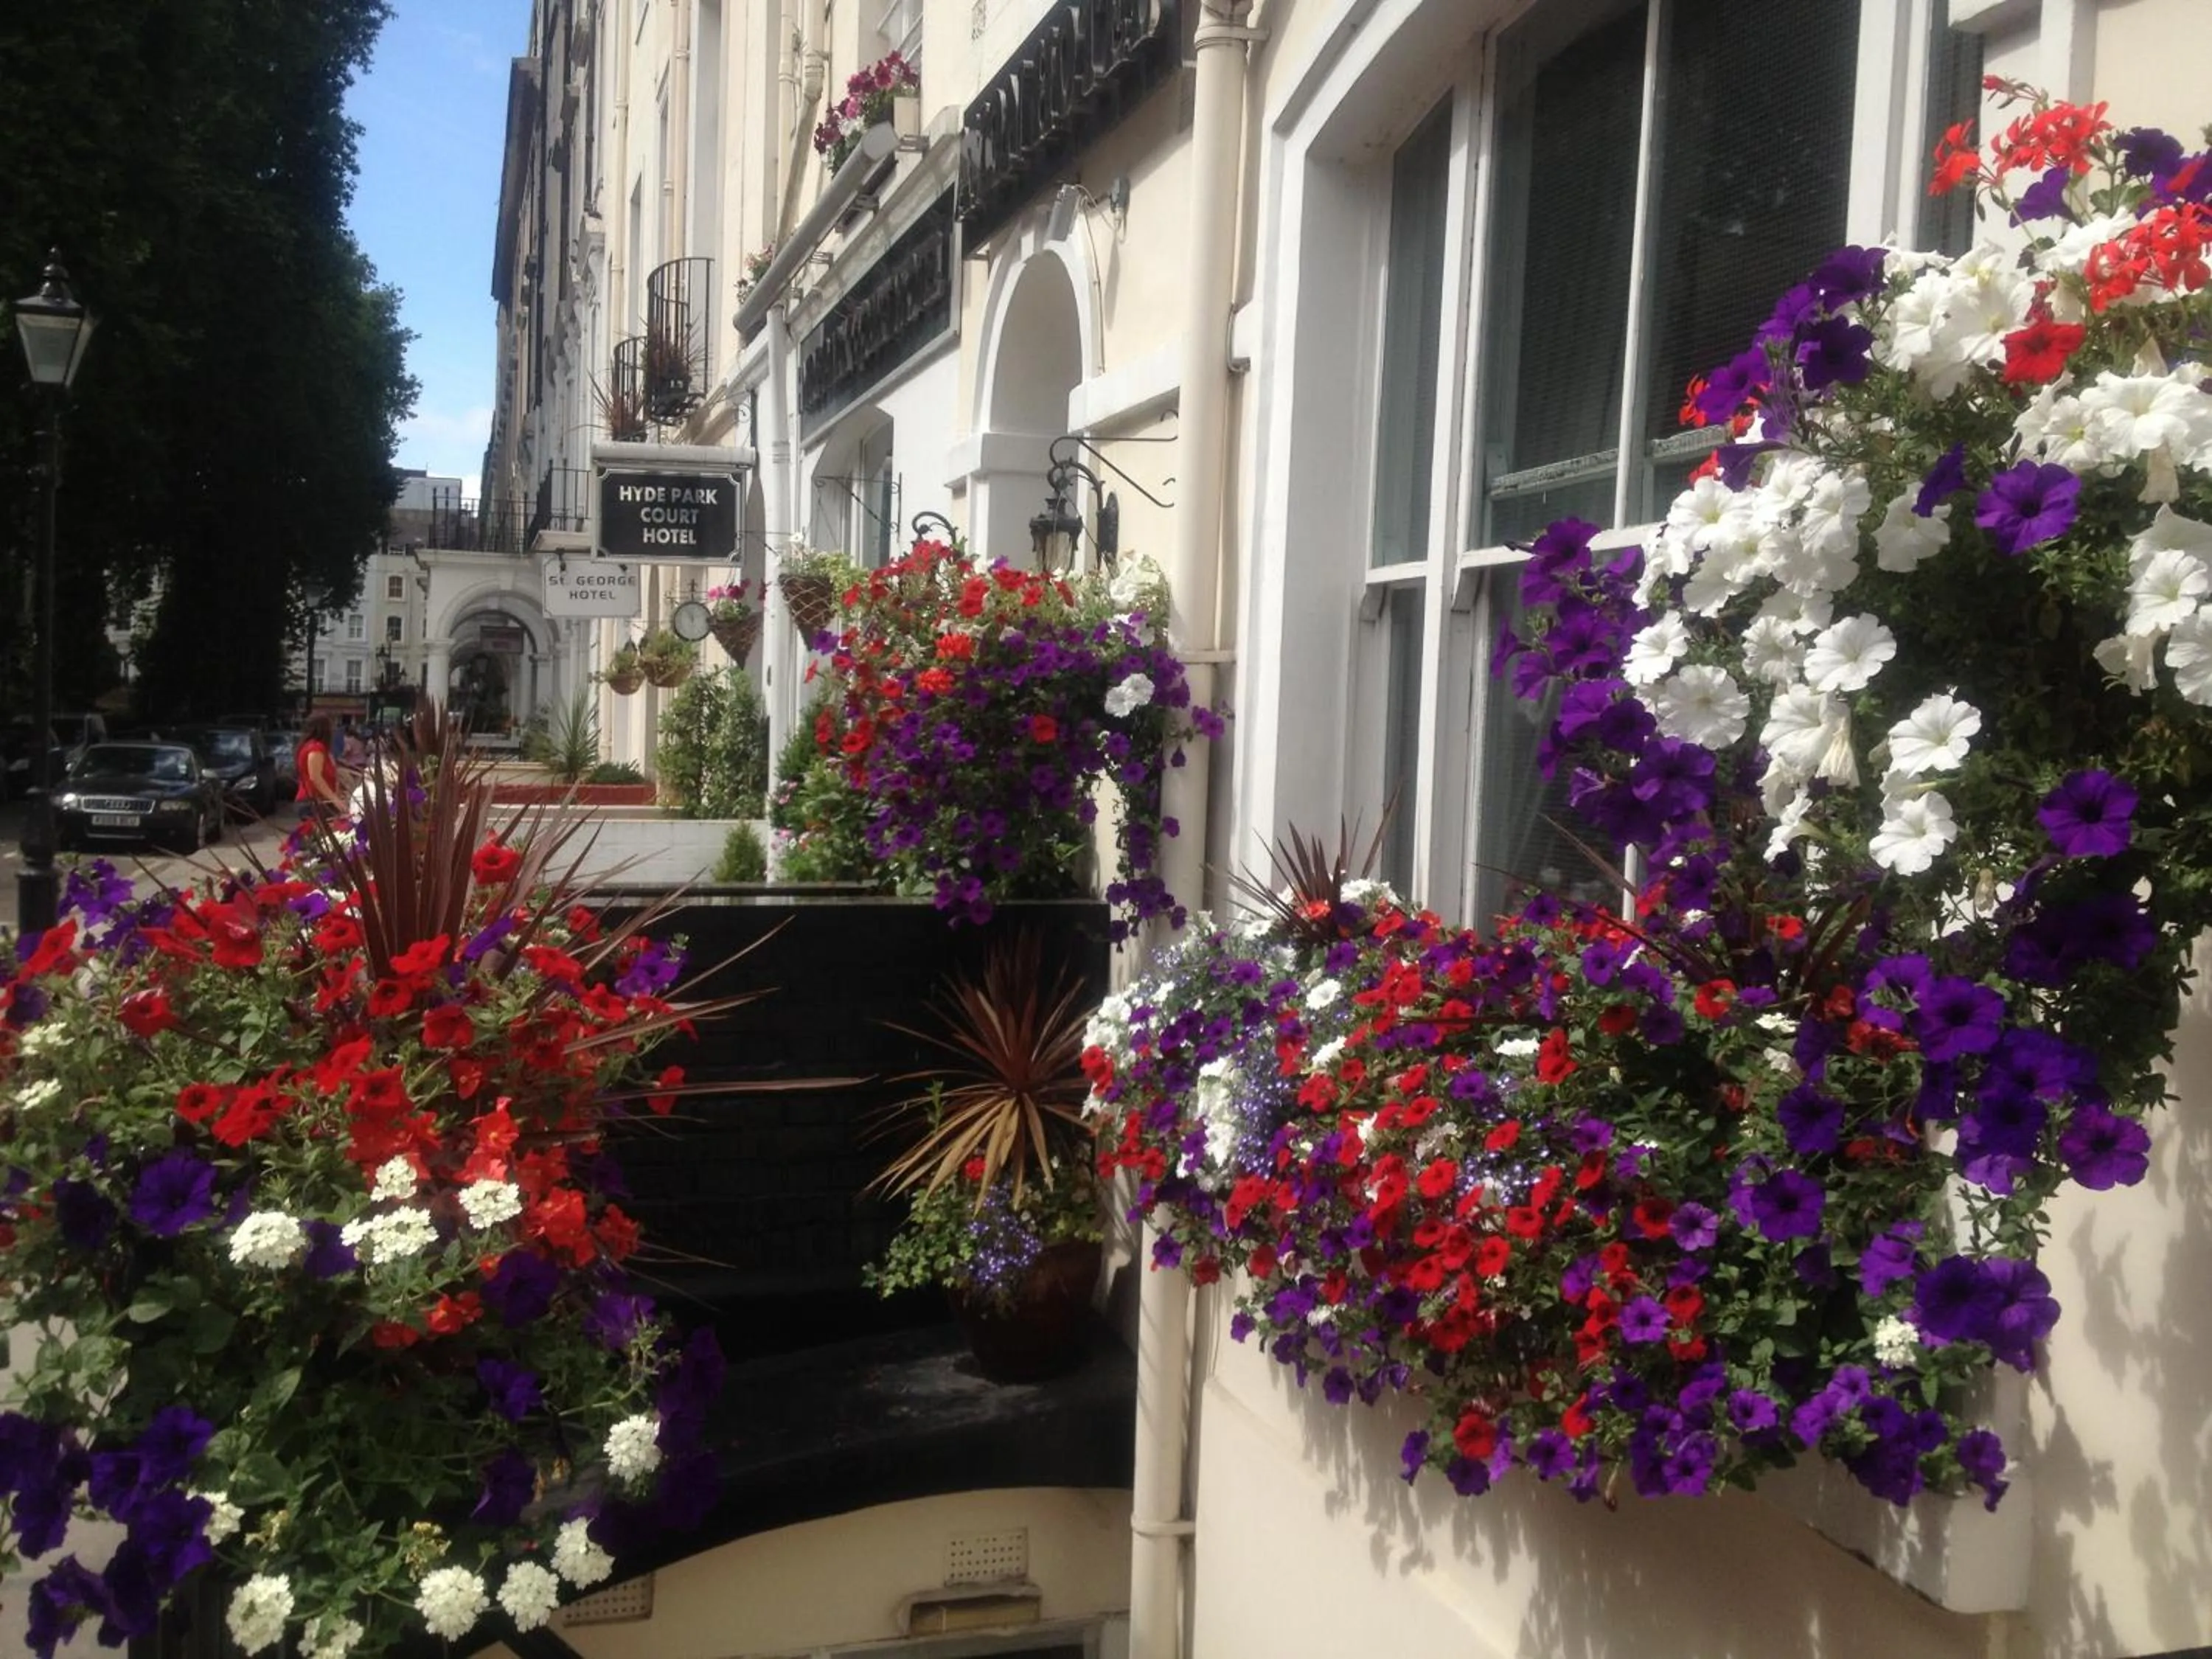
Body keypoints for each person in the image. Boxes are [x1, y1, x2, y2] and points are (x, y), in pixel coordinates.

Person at [295, 715, 346, 821]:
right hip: (315, 802)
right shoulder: (316, 748)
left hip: (315, 801)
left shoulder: (313, 747)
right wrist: (335, 800)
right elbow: (315, 777)